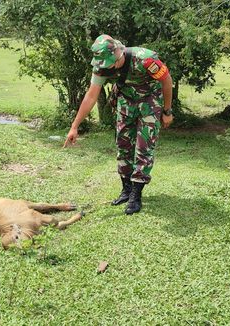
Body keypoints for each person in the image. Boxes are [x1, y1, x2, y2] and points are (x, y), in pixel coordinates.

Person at [63, 34, 173, 214]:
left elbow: (166, 80)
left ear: (118, 54)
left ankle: (136, 196)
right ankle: (126, 190)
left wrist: (167, 111)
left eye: (109, 63)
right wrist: (74, 126)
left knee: (144, 145)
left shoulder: (144, 58)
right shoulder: (101, 66)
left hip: (149, 102)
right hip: (126, 101)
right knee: (123, 144)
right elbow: (91, 95)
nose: (107, 68)